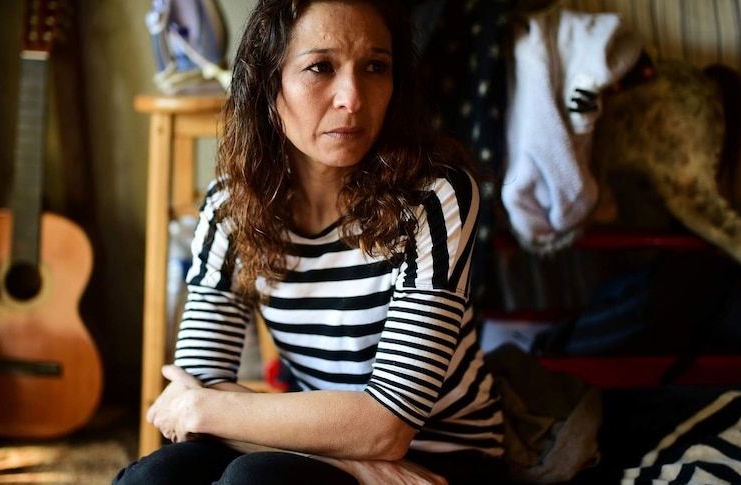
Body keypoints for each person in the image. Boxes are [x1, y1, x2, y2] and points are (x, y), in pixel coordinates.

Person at [113, 0, 505, 483]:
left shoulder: (434, 197)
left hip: (444, 461)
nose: (352, 98)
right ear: (267, 82)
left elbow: (389, 426)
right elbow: (194, 392)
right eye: (320, 67)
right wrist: (355, 460)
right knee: (157, 475)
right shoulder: (230, 207)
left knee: (256, 480)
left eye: (375, 68)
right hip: (316, 444)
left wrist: (211, 408)